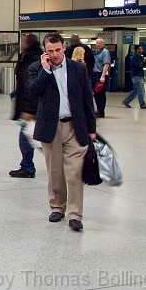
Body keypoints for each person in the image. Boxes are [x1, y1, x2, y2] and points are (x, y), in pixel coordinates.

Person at [27, 32, 96, 232]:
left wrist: (91, 128)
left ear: (64, 48)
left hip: (75, 126)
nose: (55, 54)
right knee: (55, 171)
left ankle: (75, 214)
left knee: (74, 172)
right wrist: (45, 72)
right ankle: (57, 207)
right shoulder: (37, 68)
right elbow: (31, 92)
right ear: (45, 52)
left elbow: (86, 99)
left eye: (58, 50)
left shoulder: (78, 69)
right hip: (51, 127)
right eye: (50, 51)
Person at [9, 34, 43, 179]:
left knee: (27, 137)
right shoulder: (28, 58)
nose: (21, 43)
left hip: (31, 108)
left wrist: (29, 108)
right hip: (28, 105)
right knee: (32, 137)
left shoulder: (33, 60)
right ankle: (27, 165)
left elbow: (32, 86)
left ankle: (27, 166)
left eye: (24, 41)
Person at [122, 45, 146, 109]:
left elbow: (144, 64)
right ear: (136, 50)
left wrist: (144, 62)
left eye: (141, 49)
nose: (141, 50)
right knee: (141, 90)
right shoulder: (134, 58)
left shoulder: (140, 57)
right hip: (136, 76)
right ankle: (142, 104)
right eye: (139, 49)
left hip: (140, 75)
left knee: (135, 91)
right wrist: (143, 63)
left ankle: (126, 101)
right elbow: (140, 66)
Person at [91, 38, 111, 117]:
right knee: (96, 93)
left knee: (101, 94)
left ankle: (101, 111)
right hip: (95, 74)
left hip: (100, 74)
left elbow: (106, 65)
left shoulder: (105, 52)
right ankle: (98, 109)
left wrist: (103, 76)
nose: (98, 45)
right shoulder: (96, 53)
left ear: (103, 44)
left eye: (99, 43)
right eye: (97, 43)